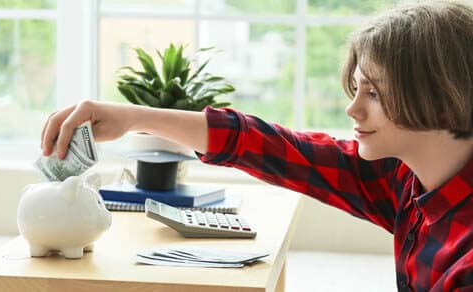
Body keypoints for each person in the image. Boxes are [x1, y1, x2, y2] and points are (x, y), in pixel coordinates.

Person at [41, 1, 473, 291]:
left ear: (440, 96)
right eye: (356, 90)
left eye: (373, 94)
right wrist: (132, 117)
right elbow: (273, 146)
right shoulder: (407, 180)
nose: (352, 110)